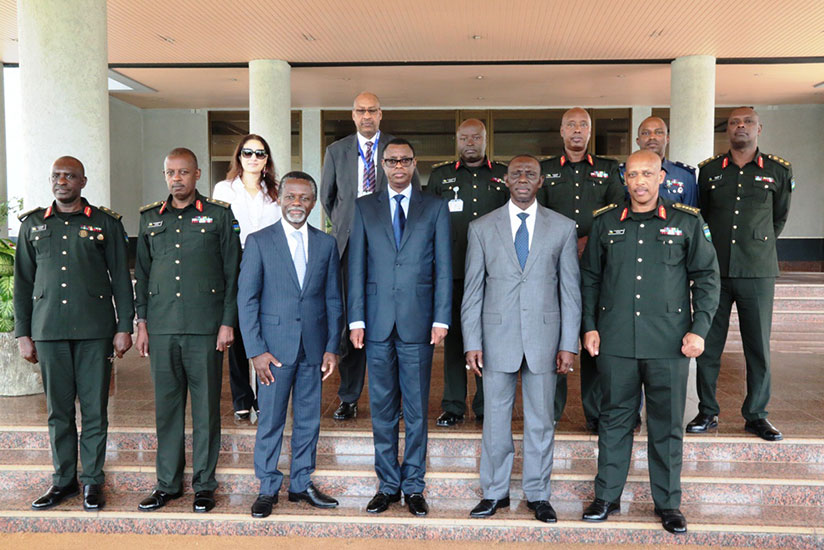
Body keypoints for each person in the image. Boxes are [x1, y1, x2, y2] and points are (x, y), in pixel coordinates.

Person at [580, 150, 719, 534]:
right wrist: (588, 326)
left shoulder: (686, 222)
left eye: (648, 174)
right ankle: (606, 496)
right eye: (633, 174)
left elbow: (707, 278)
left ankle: (668, 504)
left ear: (662, 178)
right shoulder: (607, 222)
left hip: (670, 343)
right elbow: (589, 278)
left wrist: (700, 329)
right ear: (625, 179)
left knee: (667, 425)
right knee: (614, 421)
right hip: (617, 341)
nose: (640, 181)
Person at [462, 154, 580, 523]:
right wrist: (471, 341)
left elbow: (570, 291)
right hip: (496, 338)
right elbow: (473, 291)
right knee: (495, 420)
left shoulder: (562, 227)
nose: (524, 178)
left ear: (541, 181)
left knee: (541, 420)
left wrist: (568, 343)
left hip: (545, 340)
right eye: (517, 174)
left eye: (531, 173)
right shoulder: (481, 228)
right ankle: (494, 493)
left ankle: (538, 494)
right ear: (505, 181)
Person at [14, 156, 134, 512]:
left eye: (69, 176)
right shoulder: (33, 225)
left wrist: (124, 326)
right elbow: (23, 284)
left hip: (95, 331)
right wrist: (23, 333)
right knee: (59, 412)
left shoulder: (104, 223)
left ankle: (92, 482)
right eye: (56, 176)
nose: (61, 181)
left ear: (83, 181)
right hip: (48, 331)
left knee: (95, 409)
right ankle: (63, 481)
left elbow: (120, 280)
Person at [347, 138, 451, 517]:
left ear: (414, 163)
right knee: (382, 408)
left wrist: (442, 318)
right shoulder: (364, 208)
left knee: (417, 407)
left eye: (405, 160)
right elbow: (355, 266)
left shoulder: (434, 207)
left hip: (418, 323)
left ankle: (414, 486)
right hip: (374, 323)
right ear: (383, 165)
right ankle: (388, 484)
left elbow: (444, 266)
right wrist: (355, 319)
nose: (398, 166)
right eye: (391, 160)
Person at [134, 148, 241, 513]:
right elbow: (143, 277)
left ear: (197, 174)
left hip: (205, 328)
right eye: (170, 173)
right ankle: (167, 484)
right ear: (165, 175)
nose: (176, 178)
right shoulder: (150, 218)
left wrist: (227, 322)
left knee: (207, 409)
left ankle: (204, 485)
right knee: (167, 409)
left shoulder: (218, 216)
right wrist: (141, 323)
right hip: (162, 328)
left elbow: (232, 274)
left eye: (183, 172)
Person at [237, 171, 343, 519]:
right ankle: (268, 487)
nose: (297, 203)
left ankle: (301, 483)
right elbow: (247, 300)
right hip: (273, 353)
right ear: (279, 199)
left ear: (313, 202)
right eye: (290, 197)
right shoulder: (259, 241)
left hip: (313, 349)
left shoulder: (326, 243)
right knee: (270, 420)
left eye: (304, 198)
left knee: (309, 420)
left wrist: (331, 347)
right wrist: (255, 351)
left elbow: (333, 299)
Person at [687, 107, 793, 441]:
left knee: (757, 346)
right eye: (734, 122)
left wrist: (755, 246)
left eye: (747, 122)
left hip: (757, 272)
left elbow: (779, 218)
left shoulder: (777, 170)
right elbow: (700, 218)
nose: (741, 127)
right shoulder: (709, 171)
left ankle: (757, 414)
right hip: (714, 272)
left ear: (759, 128)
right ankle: (707, 411)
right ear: (727, 130)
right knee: (708, 344)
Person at [320, 92, 418, 421]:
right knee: (353, 320)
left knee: (393, 321)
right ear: (353, 115)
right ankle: (348, 397)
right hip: (349, 246)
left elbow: (412, 194)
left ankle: (397, 398)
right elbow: (328, 197)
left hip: (392, 245)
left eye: (372, 110)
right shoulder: (336, 151)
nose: (366, 116)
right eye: (361, 111)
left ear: (381, 114)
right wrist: (352, 223)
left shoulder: (397, 150)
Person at [538, 107, 625, 432]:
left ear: (590, 132)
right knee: (552, 341)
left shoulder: (608, 169)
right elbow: (538, 214)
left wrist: (589, 239)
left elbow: (617, 210)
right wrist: (564, 243)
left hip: (595, 268)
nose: (577, 130)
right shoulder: (545, 169)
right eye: (570, 125)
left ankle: (596, 414)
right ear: (561, 131)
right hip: (553, 270)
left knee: (592, 340)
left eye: (583, 125)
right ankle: (551, 412)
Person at [428, 119, 508, 427]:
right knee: (453, 340)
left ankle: (487, 404)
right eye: (464, 137)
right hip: (453, 273)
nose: (470, 142)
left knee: (490, 339)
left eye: (476, 137)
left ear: (486, 140)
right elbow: (429, 224)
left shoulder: (503, 175)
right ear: (457, 140)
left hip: (495, 276)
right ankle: (453, 405)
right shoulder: (440, 176)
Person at [213, 133, 281, 420]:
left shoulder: (276, 191)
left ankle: (267, 395)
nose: (253, 158)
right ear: (239, 157)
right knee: (240, 330)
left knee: (266, 329)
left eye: (260, 153)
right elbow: (216, 232)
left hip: (272, 263)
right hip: (236, 261)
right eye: (248, 153)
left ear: (267, 159)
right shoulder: (224, 189)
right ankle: (242, 396)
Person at [624, 116, 698, 206]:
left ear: (667, 138)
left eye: (658, 132)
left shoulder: (684, 175)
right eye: (646, 133)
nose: (652, 137)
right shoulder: (621, 172)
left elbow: (690, 215)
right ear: (638, 141)